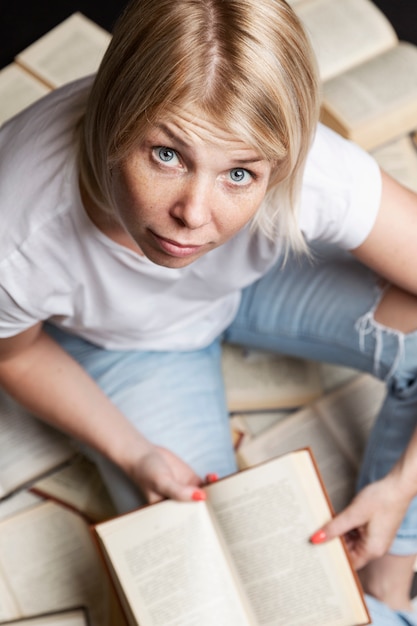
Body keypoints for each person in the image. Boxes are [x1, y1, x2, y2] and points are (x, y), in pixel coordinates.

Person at [1, 0, 417, 622]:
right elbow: (18, 354)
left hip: (257, 283)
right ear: (114, 119)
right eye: (167, 155)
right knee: (214, 595)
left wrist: (401, 486)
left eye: (241, 174)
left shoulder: (311, 170)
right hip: (128, 344)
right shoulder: (17, 227)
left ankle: (391, 576)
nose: (194, 215)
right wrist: (133, 451)